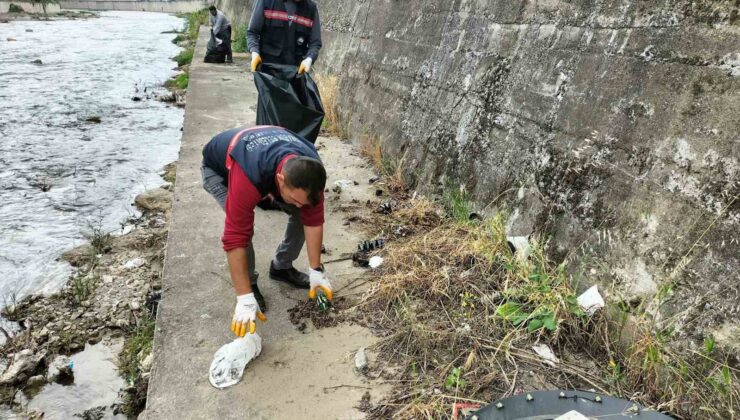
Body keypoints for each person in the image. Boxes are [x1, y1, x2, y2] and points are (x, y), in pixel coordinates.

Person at [201, 125, 334, 337]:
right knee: (244, 228)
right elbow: (235, 237)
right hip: (219, 170)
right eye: (294, 200)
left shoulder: (311, 170)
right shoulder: (250, 173)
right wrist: (243, 296)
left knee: (302, 214)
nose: (298, 205)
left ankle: (281, 268)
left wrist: (316, 270)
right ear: (280, 180)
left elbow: (314, 220)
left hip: (267, 162)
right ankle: (251, 285)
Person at [246, 0, 322, 74]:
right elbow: (253, 32)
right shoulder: (266, 2)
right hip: (268, 71)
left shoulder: (311, 9)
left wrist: (309, 59)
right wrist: (255, 53)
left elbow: (315, 43)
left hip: (295, 73)